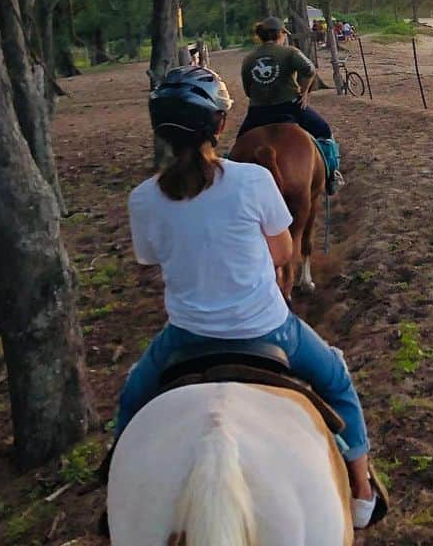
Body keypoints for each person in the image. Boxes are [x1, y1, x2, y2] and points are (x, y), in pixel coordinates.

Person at [113, 66, 384, 529]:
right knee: (337, 378)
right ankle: (361, 491)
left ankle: (115, 488)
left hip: (184, 337)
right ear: (219, 126)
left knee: (132, 399)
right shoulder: (252, 182)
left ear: (161, 129)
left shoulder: (143, 198)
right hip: (268, 327)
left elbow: (151, 258)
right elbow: (282, 251)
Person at [239, 16, 344, 193]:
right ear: (280, 34)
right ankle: (331, 176)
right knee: (324, 131)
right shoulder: (290, 52)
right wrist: (303, 92)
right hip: (290, 107)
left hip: (258, 112)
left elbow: (247, 90)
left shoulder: (249, 59)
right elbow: (309, 69)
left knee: (238, 145)